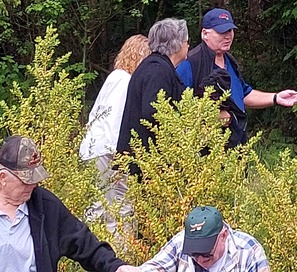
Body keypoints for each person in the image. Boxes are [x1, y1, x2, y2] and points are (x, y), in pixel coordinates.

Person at [0, 135, 136, 272]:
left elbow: (83, 243)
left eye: (35, 178)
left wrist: (116, 267)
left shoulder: (45, 205)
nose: (33, 185)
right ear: (3, 178)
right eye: (26, 181)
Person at [175, 8, 297, 148]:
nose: (228, 36)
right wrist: (212, 116)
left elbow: (243, 94)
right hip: (206, 153)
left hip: (237, 146)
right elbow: (175, 106)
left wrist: (276, 98)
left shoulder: (230, 61)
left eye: (230, 31)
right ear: (205, 34)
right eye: (221, 32)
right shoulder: (190, 64)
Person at [116, 18, 189, 161]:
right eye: (186, 41)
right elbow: (153, 110)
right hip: (145, 162)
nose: (188, 45)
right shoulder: (157, 70)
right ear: (177, 44)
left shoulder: (154, 66)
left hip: (146, 159)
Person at [80, 35, 150, 182]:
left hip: (98, 149)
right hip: (105, 152)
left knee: (103, 201)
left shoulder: (117, 77)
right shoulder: (123, 81)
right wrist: (118, 154)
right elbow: (114, 118)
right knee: (110, 202)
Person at [128, 205, 268, 272]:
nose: (200, 260)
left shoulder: (250, 251)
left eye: (207, 255)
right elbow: (156, 267)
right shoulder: (180, 242)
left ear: (223, 236)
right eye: (194, 254)